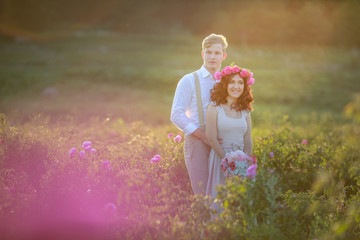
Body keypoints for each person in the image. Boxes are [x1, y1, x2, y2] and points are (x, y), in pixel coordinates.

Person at [170, 34, 228, 195]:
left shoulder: (228, 82)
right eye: (209, 52)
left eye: (217, 53)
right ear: (202, 54)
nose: (212, 57)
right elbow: (176, 114)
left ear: (224, 56)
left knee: (223, 195)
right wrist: (203, 136)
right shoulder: (188, 80)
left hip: (224, 143)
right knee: (202, 195)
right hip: (197, 142)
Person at [205, 65, 254, 201]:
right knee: (221, 200)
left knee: (240, 201)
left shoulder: (245, 110)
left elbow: (248, 140)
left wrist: (245, 165)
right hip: (220, 158)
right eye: (232, 82)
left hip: (241, 161)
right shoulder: (214, 108)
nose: (236, 86)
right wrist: (227, 162)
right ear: (225, 85)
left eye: (240, 83)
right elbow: (211, 138)